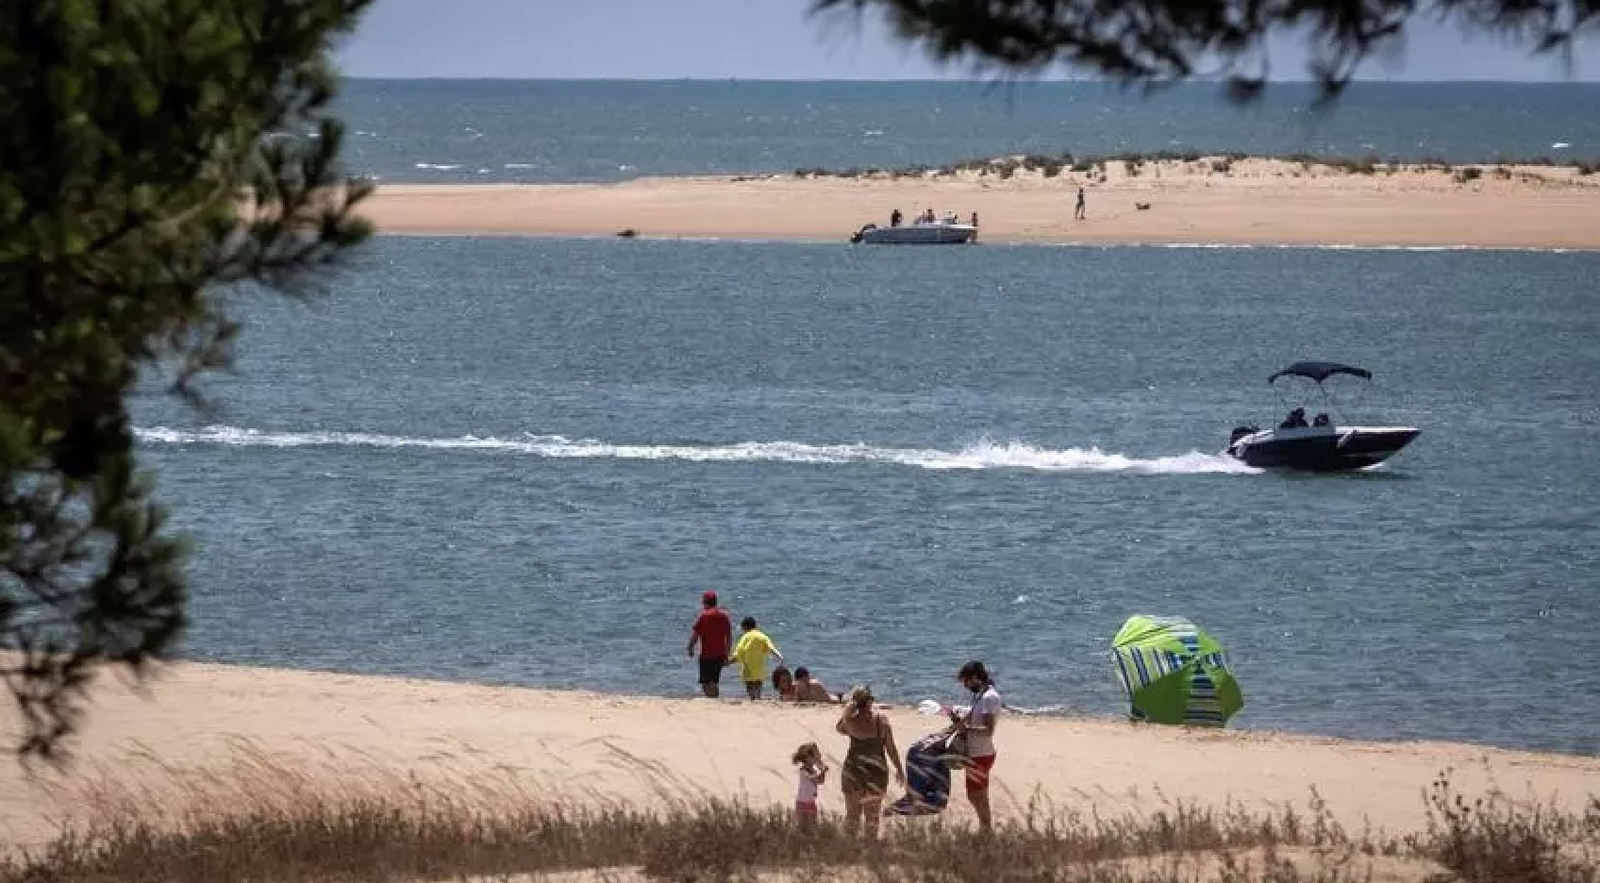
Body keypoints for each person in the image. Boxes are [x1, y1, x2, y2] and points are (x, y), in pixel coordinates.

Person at [836, 686, 903, 838]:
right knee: (872, 818)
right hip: (876, 774)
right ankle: (870, 852)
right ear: (869, 702)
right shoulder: (881, 722)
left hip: (853, 772)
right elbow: (891, 748)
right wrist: (899, 769)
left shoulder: (849, 722)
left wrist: (847, 712)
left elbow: (838, 728)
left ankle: (849, 852)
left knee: (852, 816)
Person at [955, 660, 1001, 833]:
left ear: (975, 677)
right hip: (978, 753)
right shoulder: (981, 695)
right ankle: (985, 828)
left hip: (980, 754)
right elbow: (974, 716)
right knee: (980, 795)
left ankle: (986, 828)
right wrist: (960, 722)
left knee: (974, 795)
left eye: (966, 682)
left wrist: (966, 728)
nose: (966, 686)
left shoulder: (990, 697)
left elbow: (988, 730)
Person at [685, 591, 732, 698]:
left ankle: (712, 699)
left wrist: (690, 648)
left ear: (705, 602)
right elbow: (729, 637)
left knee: (705, 682)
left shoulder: (704, 616)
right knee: (714, 681)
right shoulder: (724, 616)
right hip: (720, 654)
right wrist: (727, 654)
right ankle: (715, 699)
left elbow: (695, 635)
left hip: (707, 655)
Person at [729, 616, 783, 700]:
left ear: (745, 627)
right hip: (759, 667)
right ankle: (758, 698)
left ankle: (752, 698)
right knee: (758, 683)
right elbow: (771, 647)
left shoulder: (745, 637)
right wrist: (779, 656)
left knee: (749, 684)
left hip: (747, 667)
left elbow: (739, 652)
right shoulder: (762, 636)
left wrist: (729, 662)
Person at [792, 742, 828, 824]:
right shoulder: (803, 770)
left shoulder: (814, 770)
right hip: (801, 803)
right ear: (808, 758)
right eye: (815, 755)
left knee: (811, 827)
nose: (818, 757)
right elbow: (814, 779)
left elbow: (821, 781)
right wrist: (823, 770)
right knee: (802, 827)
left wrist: (823, 771)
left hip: (810, 802)